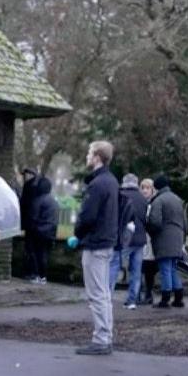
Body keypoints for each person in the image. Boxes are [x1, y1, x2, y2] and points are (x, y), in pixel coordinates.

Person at [71, 140, 119, 355]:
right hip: (107, 241)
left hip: (95, 243)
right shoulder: (111, 181)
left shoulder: (97, 184)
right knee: (104, 294)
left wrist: (78, 232)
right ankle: (105, 336)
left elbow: (88, 216)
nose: (87, 156)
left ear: (97, 157)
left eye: (90, 153)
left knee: (97, 294)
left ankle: (101, 339)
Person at [147, 175, 186, 309]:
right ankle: (179, 298)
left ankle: (165, 299)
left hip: (164, 239)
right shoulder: (178, 199)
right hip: (178, 239)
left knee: (165, 269)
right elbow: (185, 224)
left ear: (156, 187)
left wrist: (150, 230)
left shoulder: (158, 201)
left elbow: (155, 222)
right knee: (173, 268)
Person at [114, 173, 148, 309]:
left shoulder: (120, 195)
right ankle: (132, 300)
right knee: (136, 271)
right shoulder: (142, 198)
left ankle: (106, 297)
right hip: (140, 239)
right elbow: (146, 219)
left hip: (124, 238)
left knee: (113, 267)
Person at [28, 175, 59, 285]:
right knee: (44, 254)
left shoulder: (38, 200)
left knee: (35, 254)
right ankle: (43, 276)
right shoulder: (53, 201)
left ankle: (36, 275)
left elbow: (33, 217)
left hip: (38, 232)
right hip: (50, 232)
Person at [138, 178, 158, 305]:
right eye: (143, 188)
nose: (145, 190)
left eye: (147, 188)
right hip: (141, 238)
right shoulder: (139, 202)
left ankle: (148, 293)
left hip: (150, 239)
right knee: (139, 267)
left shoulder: (154, 203)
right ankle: (139, 293)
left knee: (149, 268)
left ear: (152, 190)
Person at [19, 167, 39, 281]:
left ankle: (32, 272)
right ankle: (32, 272)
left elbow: (25, 204)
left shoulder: (29, 186)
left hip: (30, 222)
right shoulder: (36, 185)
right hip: (33, 223)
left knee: (31, 249)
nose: (24, 177)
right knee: (31, 249)